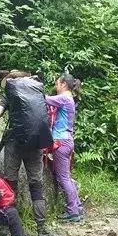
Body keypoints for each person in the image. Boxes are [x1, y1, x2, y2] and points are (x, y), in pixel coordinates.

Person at [0, 71, 54, 236]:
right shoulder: (36, 89)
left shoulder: (9, 93)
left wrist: (2, 104)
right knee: (36, 185)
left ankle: (6, 228)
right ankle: (42, 229)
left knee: (10, 184)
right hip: (35, 143)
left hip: (14, 143)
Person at [45, 73, 83, 221]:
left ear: (63, 84)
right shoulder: (69, 98)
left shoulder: (64, 98)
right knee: (66, 176)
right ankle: (77, 206)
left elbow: (45, 99)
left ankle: (72, 211)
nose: (56, 86)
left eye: (57, 83)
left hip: (61, 141)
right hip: (66, 140)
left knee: (63, 177)